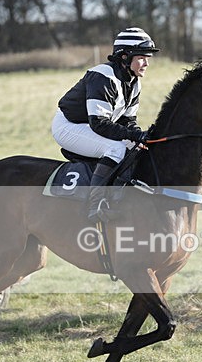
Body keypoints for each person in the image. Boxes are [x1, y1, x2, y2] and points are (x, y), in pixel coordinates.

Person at [52, 27, 159, 222]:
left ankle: (119, 197)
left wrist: (140, 137)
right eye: (142, 58)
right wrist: (136, 136)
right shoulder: (103, 76)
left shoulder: (134, 82)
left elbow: (128, 121)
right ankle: (95, 206)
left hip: (92, 126)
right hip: (69, 126)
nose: (146, 63)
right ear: (125, 57)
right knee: (116, 149)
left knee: (136, 149)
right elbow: (99, 124)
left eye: (147, 58)